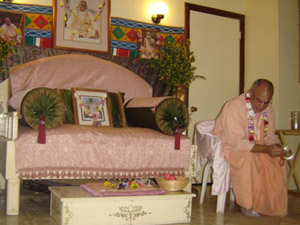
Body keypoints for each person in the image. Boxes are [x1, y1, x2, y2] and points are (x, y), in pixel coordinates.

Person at [213, 79, 287, 217]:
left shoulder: (268, 111)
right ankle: (248, 204)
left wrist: (276, 146)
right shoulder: (234, 107)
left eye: (267, 102)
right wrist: (265, 149)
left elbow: (269, 136)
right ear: (250, 92)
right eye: (259, 100)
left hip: (257, 147)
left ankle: (271, 203)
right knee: (248, 158)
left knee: (277, 159)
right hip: (231, 148)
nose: (262, 106)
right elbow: (236, 142)